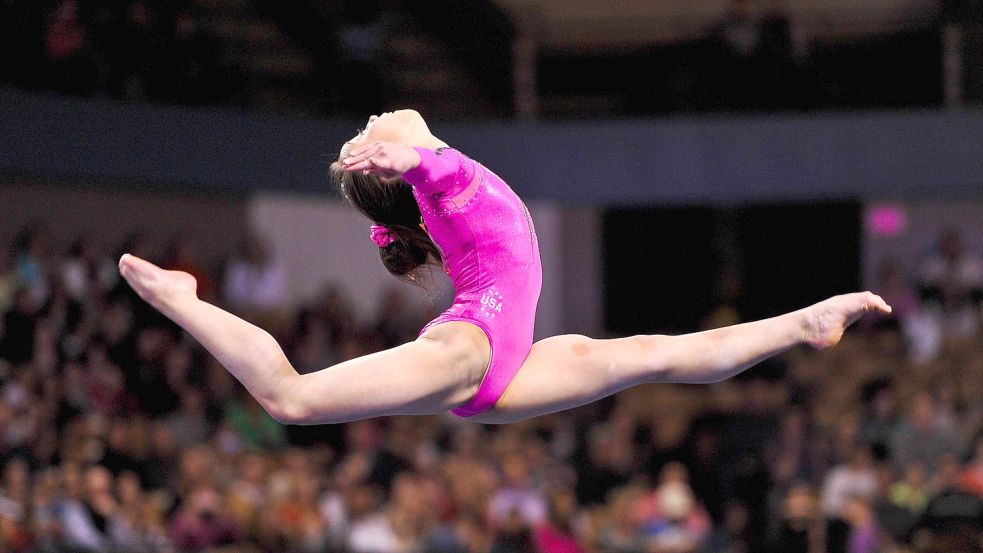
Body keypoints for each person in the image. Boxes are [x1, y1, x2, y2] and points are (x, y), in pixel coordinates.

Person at [116, 109, 892, 426]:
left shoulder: (442, 180)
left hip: (510, 357)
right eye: (371, 129)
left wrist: (408, 157)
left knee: (662, 352)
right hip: (473, 346)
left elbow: (435, 174)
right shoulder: (441, 183)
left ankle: (803, 319)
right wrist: (409, 158)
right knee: (289, 398)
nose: (372, 122)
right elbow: (438, 176)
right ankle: (184, 298)